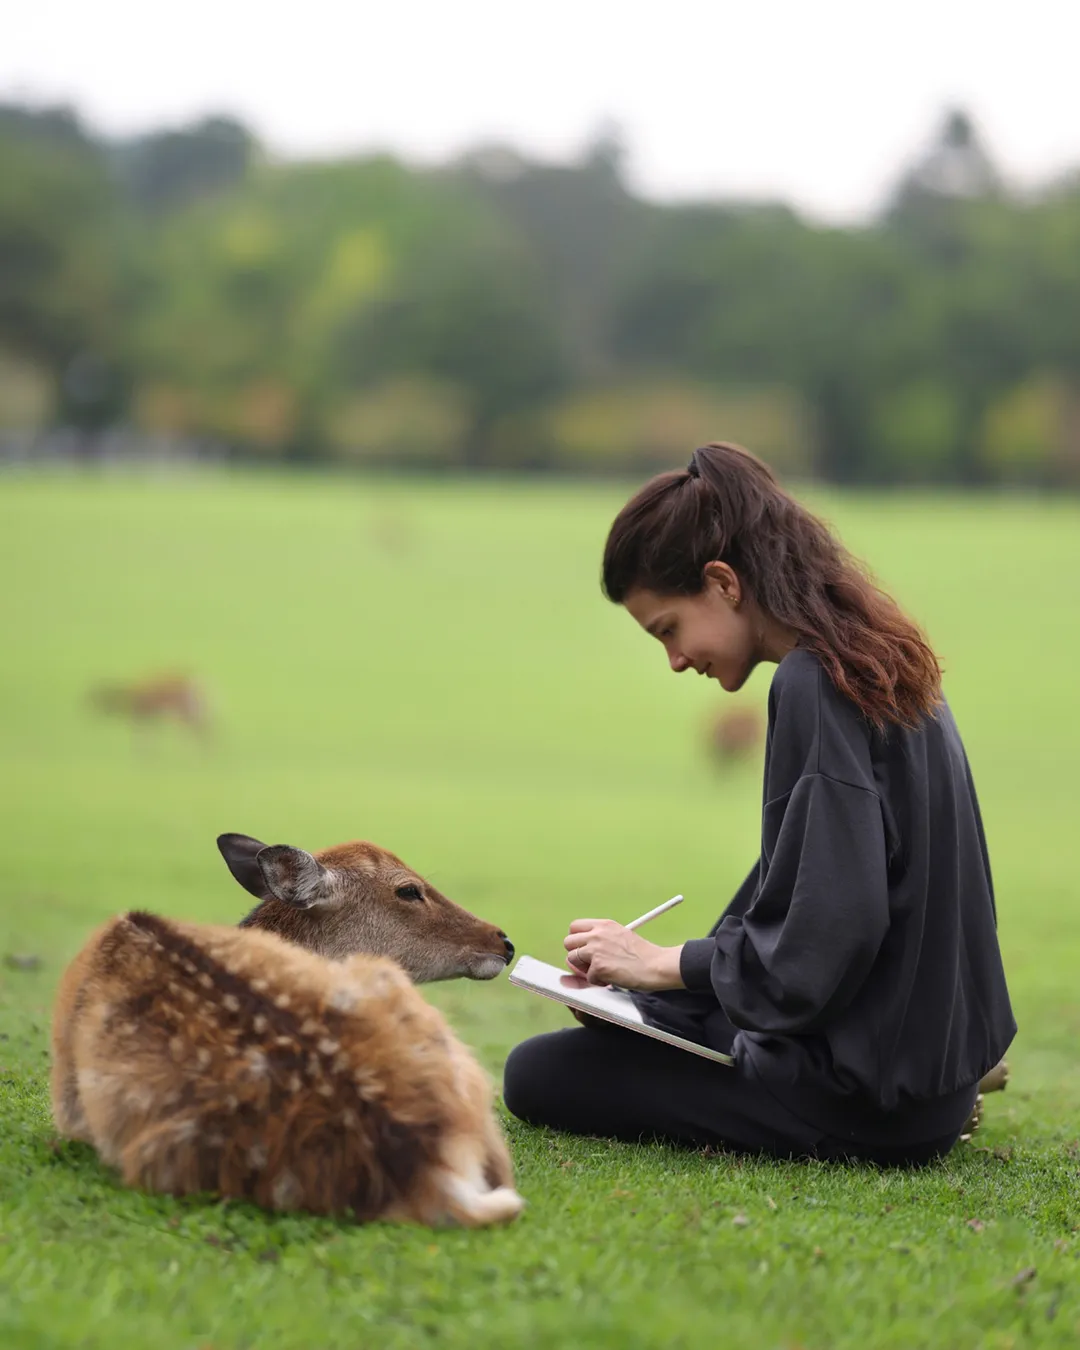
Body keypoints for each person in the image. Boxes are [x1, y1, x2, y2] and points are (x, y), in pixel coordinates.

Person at [503, 442, 1015, 1166]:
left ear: (722, 581)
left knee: (537, 1073)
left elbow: (831, 932)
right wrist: (659, 978)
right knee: (629, 1020)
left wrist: (668, 963)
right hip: (923, 1072)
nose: (676, 661)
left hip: (858, 1099)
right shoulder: (880, 657)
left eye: (669, 630)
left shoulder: (812, 684)